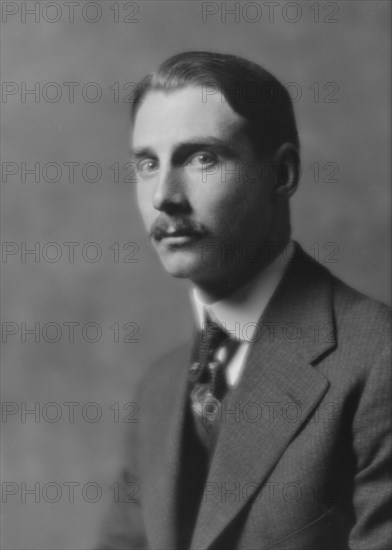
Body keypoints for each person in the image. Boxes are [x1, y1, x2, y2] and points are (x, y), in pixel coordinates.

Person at [96, 51, 391, 550]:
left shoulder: (378, 359)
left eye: (201, 158)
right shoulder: (162, 388)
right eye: (148, 163)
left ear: (282, 175)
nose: (164, 196)